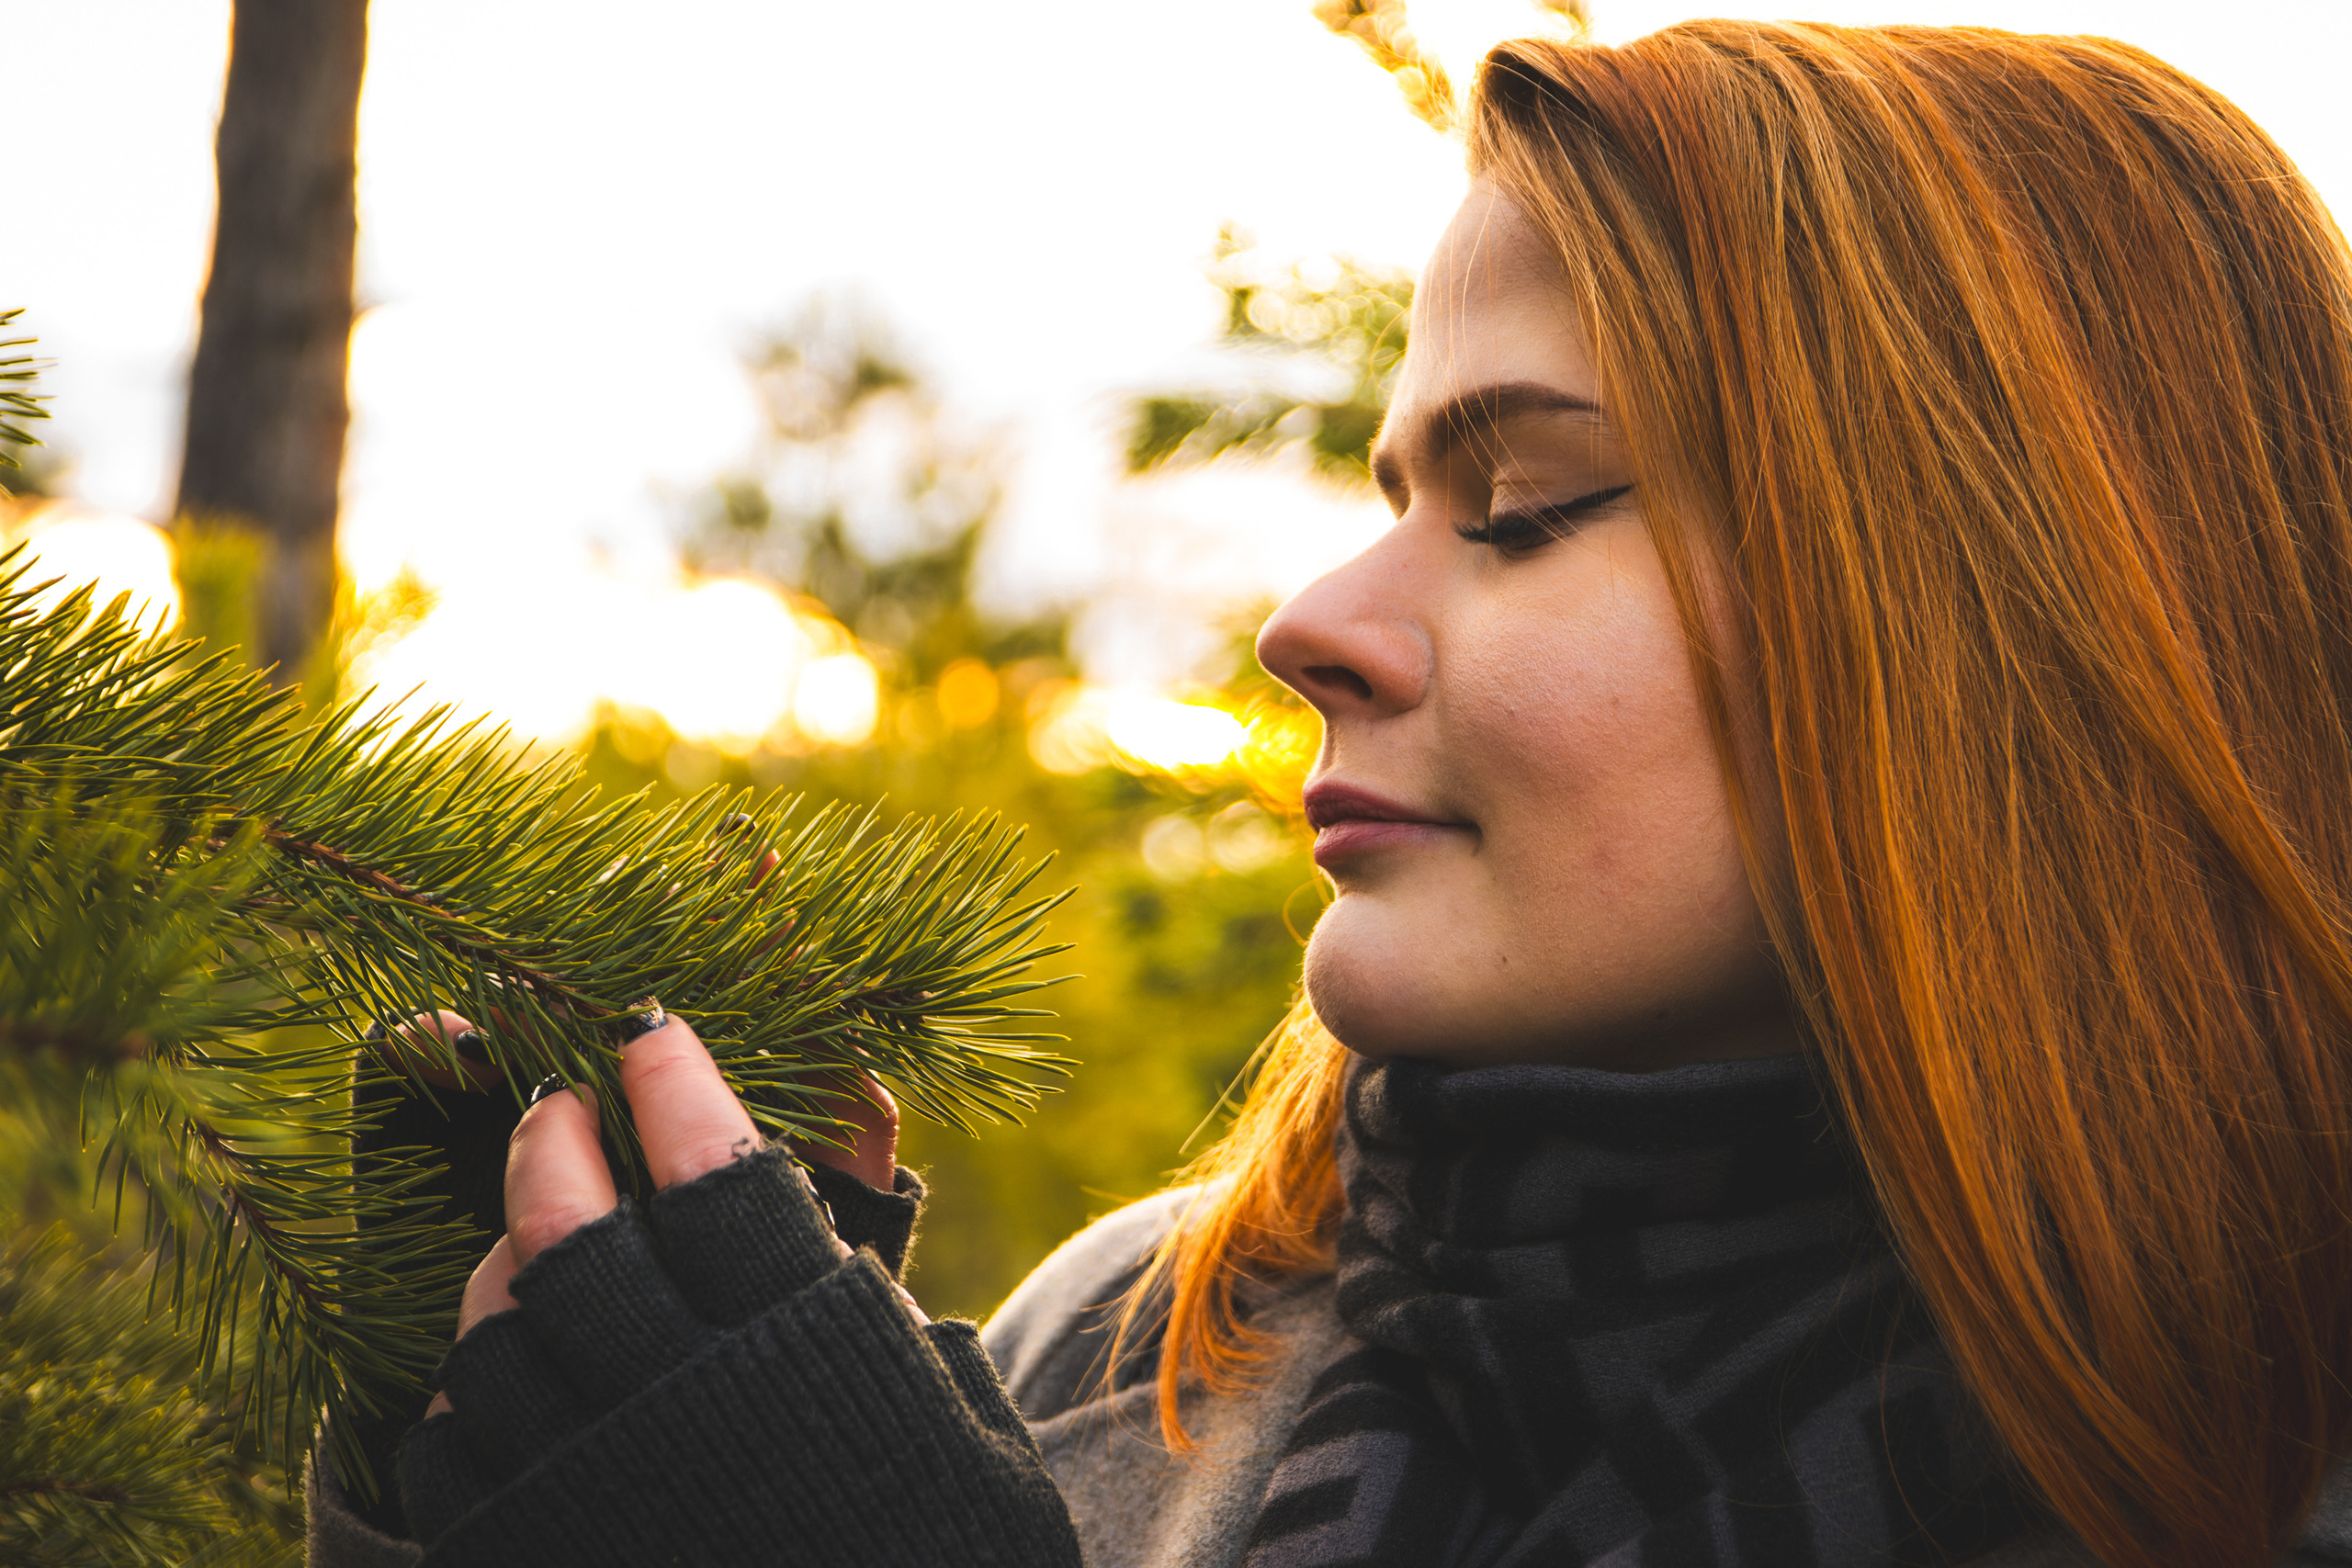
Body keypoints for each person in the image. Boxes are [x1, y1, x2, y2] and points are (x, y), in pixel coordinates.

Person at [306, 18, 2352, 1567]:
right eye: (1386, 494)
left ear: (2010, 615)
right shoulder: (1138, 1340)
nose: (1310, 621)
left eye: (1525, 505)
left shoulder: (2270, 1452)